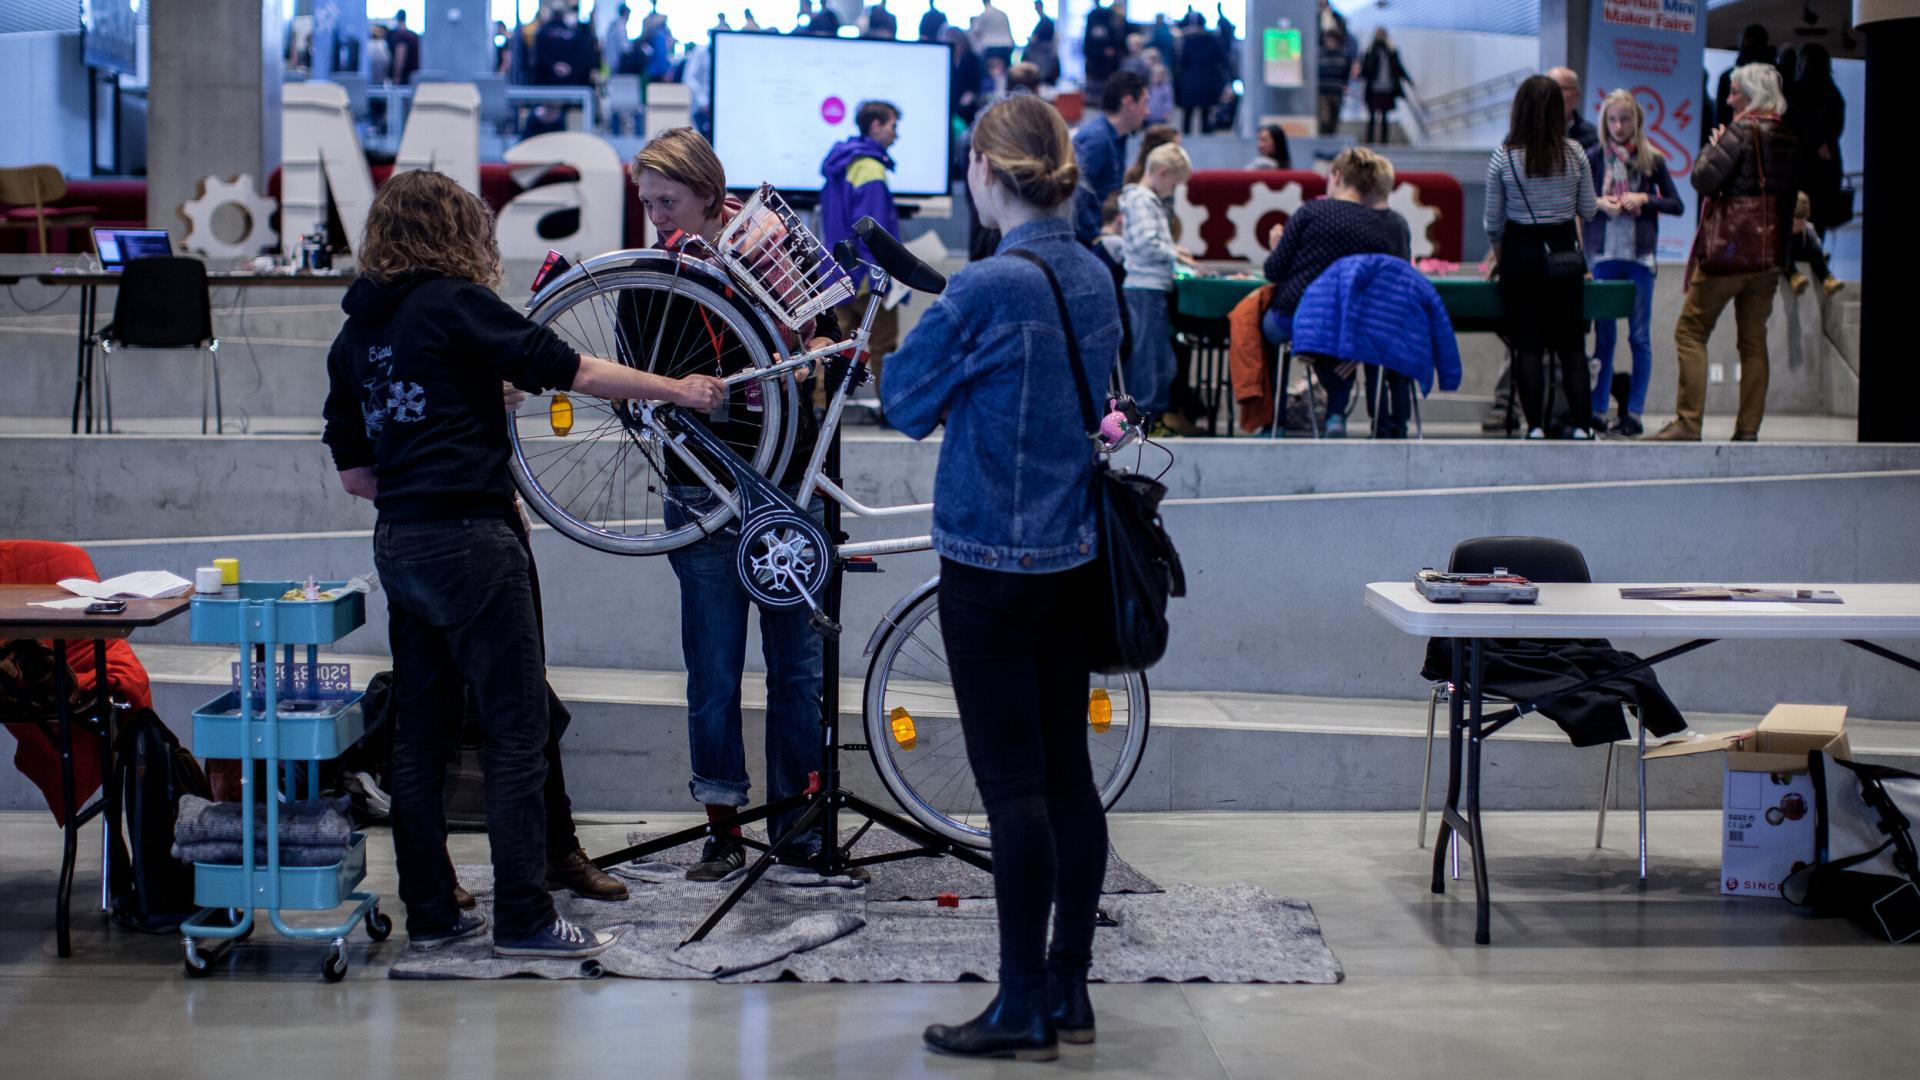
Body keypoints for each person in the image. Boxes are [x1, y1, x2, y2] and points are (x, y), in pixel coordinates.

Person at [321, 171, 722, 957]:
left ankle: (433, 916)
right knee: (515, 730)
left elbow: (356, 474)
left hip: (402, 543)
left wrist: (455, 415)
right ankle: (526, 920)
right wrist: (677, 389)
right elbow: (572, 369)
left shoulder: (356, 330)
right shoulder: (453, 302)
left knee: (420, 739)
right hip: (472, 536)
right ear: (454, 232)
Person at [880, 93, 1119, 1063]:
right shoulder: (1096, 274)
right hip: (1074, 556)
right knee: (1069, 776)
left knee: (1012, 788)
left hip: (987, 562)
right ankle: (1068, 990)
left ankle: (1018, 1004)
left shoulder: (984, 286)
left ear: (985, 171)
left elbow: (902, 402)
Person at [625, 129, 848, 877]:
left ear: (711, 195)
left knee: (797, 671)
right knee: (713, 672)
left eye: (668, 201)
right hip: (701, 489)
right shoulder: (649, 272)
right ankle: (724, 829)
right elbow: (634, 379)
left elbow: (831, 336)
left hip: (789, 487)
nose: (656, 215)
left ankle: (800, 830)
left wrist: (823, 341)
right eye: (646, 201)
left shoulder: (771, 245)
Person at [1653, 63, 1798, 443]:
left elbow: (1702, 178)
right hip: (1768, 258)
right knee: (1753, 342)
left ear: (1750, 95)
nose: (1729, 98)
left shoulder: (1738, 132)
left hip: (1729, 254)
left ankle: (1688, 423)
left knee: (1690, 331)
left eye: (1734, 91)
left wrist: (1714, 145)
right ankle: (1748, 429)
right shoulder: (1787, 137)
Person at [1262, 147, 1414, 437]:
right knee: (1342, 337)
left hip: (1297, 317)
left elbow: (1274, 270)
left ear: (1337, 175)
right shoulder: (1380, 224)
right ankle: (1334, 415)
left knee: (1267, 329)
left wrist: (1276, 247)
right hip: (1352, 323)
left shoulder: (1310, 212)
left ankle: (1274, 421)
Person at [1484, 74, 1598, 440]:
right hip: (1563, 257)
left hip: (1520, 259)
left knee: (1528, 348)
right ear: (1556, 112)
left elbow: (1492, 224)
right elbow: (1588, 210)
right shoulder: (1575, 153)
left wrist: (1502, 261)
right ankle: (1581, 425)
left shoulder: (1503, 157)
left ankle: (1533, 425)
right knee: (1572, 348)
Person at [1585, 88, 1682, 438]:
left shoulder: (1651, 159)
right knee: (1604, 338)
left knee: (1639, 337)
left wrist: (1646, 198)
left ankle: (1635, 412)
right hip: (1603, 256)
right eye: (1612, 119)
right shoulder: (1594, 156)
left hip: (1640, 257)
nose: (1619, 126)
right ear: (1604, 122)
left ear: (1636, 121)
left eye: (1625, 119)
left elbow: (1676, 204)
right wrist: (1601, 203)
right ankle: (1597, 409)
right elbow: (1580, 202)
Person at [820, 100, 905, 403]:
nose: (896, 135)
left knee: (831, 344)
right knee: (882, 343)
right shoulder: (870, 168)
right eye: (893, 126)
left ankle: (821, 408)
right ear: (875, 126)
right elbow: (875, 229)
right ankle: (890, 408)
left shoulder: (838, 164)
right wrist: (883, 272)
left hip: (840, 272)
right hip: (870, 273)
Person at [1119, 143, 1194, 427]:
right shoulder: (1141, 201)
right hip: (1144, 288)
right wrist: (1173, 251)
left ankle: (1152, 418)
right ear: (1162, 172)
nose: (1172, 191)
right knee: (1148, 360)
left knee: (1159, 358)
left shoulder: (1144, 201)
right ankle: (1143, 422)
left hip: (1152, 287)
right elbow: (1146, 244)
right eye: (1173, 184)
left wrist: (1173, 250)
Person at [1071, 69, 1148, 244]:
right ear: (1128, 102)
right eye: (1145, 103)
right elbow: (1075, 193)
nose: (1147, 112)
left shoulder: (1117, 139)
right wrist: (1096, 238)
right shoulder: (1097, 140)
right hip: (1089, 243)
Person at [1786, 44, 1846, 237]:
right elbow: (1836, 130)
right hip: (1825, 168)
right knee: (1818, 224)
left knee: (1795, 220)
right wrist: (1821, 143)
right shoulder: (1833, 94)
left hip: (1798, 165)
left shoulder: (1794, 93)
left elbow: (1791, 124)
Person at [1175, 13, 1227, 135]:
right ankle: (1205, 139)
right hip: (1207, 80)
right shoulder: (1212, 40)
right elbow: (1221, 59)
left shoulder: (1188, 40)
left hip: (1190, 81)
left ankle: (1185, 139)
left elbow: (1182, 61)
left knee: (1188, 114)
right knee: (1205, 113)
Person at [1360, 29, 1413, 144]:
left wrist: (1408, 80)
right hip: (1374, 88)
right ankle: (1370, 140)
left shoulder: (1391, 51)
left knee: (1384, 115)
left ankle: (1383, 141)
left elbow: (1398, 68)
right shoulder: (1370, 51)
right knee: (1372, 115)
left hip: (1387, 88)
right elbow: (1365, 69)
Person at [1785, 192, 1843, 297]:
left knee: (1816, 249)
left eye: (1802, 220)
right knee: (1782, 251)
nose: (1800, 225)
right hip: (1787, 257)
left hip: (1801, 252)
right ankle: (1794, 276)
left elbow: (1816, 247)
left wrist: (1820, 253)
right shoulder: (1781, 228)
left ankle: (1827, 279)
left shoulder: (1808, 228)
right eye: (1796, 221)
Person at [1716, 24, 1773, 130]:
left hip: (1734, 136)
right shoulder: (1775, 77)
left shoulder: (1727, 77)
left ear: (1741, 44)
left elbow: (1721, 116)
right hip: (1766, 136)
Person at [1082, 0, 1127, 101]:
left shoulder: (1114, 19)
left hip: (1108, 63)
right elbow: (1089, 40)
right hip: (1095, 59)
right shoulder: (1094, 16)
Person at [1547, 66, 1598, 152]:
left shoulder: (1592, 136)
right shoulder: (1530, 132)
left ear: (1576, 95)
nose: (1552, 94)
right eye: (1548, 89)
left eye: (1561, 88)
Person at [1315, 27, 1355, 136]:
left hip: (1337, 90)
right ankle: (1323, 140)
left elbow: (1346, 73)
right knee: (1324, 119)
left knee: (1334, 118)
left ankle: (1331, 141)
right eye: (1328, 40)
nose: (1330, 43)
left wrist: (1344, 85)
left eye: (1332, 40)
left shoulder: (1344, 55)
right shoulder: (1319, 55)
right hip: (1323, 90)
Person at [1023, 1, 1059, 84]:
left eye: (1036, 7)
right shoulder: (1043, 21)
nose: (1035, 9)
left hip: (1042, 57)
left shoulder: (1046, 22)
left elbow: (1036, 38)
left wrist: (1032, 40)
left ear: (1039, 7)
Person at [970, 0, 1016, 66]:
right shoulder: (1002, 14)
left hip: (990, 48)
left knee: (990, 73)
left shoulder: (984, 15)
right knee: (1006, 71)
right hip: (1006, 47)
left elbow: (976, 32)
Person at [388, 9, 420, 86]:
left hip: (403, 78)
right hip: (414, 77)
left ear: (397, 19)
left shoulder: (401, 35)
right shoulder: (414, 35)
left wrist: (397, 76)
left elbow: (400, 56)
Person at [1144, 53, 1175, 125]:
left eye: (1159, 76)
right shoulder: (1149, 87)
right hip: (1149, 116)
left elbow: (1168, 102)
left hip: (1160, 117)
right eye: (1155, 76)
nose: (1156, 78)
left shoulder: (1166, 88)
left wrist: (1166, 113)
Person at [601, 4, 631, 74]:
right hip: (617, 61)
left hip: (610, 60)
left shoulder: (613, 25)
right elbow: (625, 47)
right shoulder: (620, 27)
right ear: (626, 14)